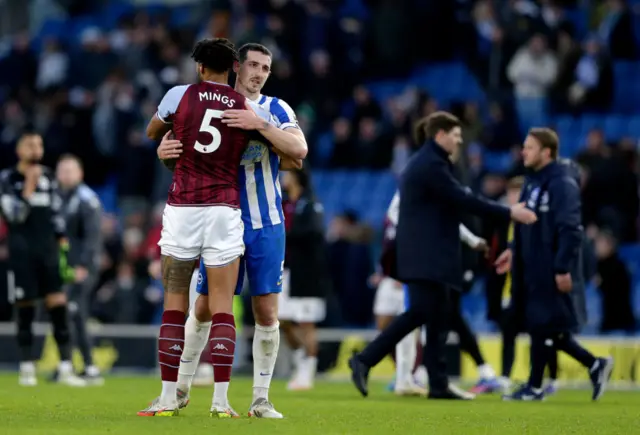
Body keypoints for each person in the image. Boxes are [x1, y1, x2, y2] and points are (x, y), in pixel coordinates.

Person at [158, 43, 307, 419]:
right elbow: (177, 150)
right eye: (253, 65)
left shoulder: (275, 108)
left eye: (266, 68)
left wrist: (260, 125)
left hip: (266, 223)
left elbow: (299, 150)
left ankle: (260, 399)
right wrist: (164, 154)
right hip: (221, 218)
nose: (258, 73)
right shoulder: (211, 105)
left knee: (266, 311)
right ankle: (180, 389)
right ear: (236, 67)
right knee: (205, 307)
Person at [349, 112, 537, 400]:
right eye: (456, 135)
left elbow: (450, 206)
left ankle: (437, 384)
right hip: (426, 255)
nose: (460, 140)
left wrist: (472, 241)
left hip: (433, 253)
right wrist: (509, 212)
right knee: (421, 312)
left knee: (438, 316)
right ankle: (365, 359)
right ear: (440, 135)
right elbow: (463, 200)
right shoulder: (431, 165)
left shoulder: (430, 163)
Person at [138, 38, 251, 417]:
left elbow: (152, 131)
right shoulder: (242, 105)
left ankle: (169, 397)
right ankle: (220, 402)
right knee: (222, 309)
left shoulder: (179, 95)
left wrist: (166, 141)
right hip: (223, 208)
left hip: (183, 207)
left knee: (175, 306)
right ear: (232, 68)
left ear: (200, 67)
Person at [497, 128, 613, 401]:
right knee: (544, 326)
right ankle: (594, 365)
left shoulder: (561, 183)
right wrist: (513, 250)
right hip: (529, 265)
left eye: (529, 147)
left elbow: (571, 229)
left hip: (548, 266)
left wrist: (562, 267)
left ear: (546, 152)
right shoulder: (532, 181)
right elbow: (525, 222)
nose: (523, 152)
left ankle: (535, 387)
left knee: (542, 324)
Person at [0, 133, 86, 387]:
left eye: (39, 144)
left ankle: (66, 367)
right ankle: (27, 368)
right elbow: (13, 216)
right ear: (18, 149)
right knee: (25, 309)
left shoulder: (48, 177)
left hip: (48, 254)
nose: (36, 149)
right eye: (30, 144)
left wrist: (63, 243)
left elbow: (56, 214)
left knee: (58, 307)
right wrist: (28, 186)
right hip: (21, 254)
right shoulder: (7, 179)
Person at [278, 165, 330, 391]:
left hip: (307, 273)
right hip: (286, 271)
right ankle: (301, 358)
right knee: (281, 319)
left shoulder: (311, 202)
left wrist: (285, 236)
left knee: (307, 323)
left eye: (287, 174)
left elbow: (315, 233)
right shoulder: (284, 203)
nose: (283, 178)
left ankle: (308, 371)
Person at [56, 154, 104, 385]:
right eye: (62, 170)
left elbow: (93, 236)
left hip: (82, 268)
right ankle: (86, 367)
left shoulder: (86, 199)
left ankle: (71, 365)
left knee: (71, 311)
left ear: (80, 173)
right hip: (64, 267)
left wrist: (84, 265)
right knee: (75, 315)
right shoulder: (58, 198)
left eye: (69, 170)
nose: (65, 175)